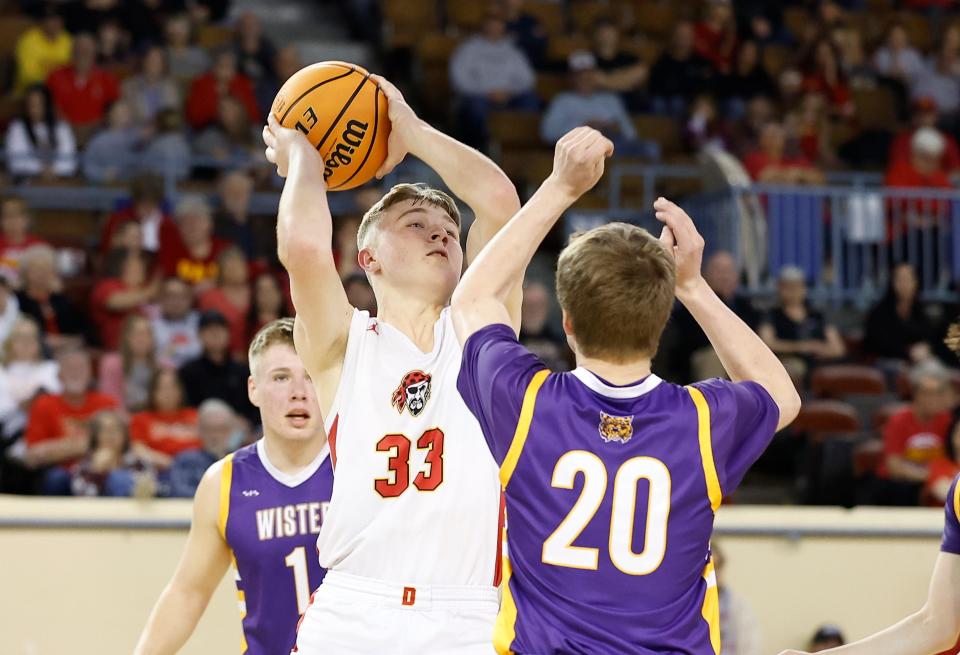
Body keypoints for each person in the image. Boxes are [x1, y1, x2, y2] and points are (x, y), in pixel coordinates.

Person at [450, 129, 800, 653]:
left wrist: (561, 187)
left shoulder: (525, 404)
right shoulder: (703, 420)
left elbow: (473, 298)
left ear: (567, 322)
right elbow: (781, 394)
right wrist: (694, 287)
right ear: (661, 323)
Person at [263, 71, 523, 653]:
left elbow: (501, 204)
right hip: (356, 607)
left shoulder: (483, 327)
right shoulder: (343, 342)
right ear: (368, 256)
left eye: (450, 232)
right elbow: (303, 247)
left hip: (467, 612)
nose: (441, 237)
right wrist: (303, 155)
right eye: (417, 226)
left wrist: (409, 129)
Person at [135, 319, 333, 654]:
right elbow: (189, 592)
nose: (298, 392)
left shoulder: (360, 467)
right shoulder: (223, 482)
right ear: (253, 389)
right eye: (281, 377)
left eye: (310, 376)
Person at [23, 347, 118, 495]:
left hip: (101, 471)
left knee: (118, 478)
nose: (75, 373)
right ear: (59, 375)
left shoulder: (107, 404)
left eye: (80, 368)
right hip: (62, 474)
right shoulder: (44, 404)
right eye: (70, 368)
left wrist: (60, 449)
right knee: (56, 478)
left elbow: (120, 445)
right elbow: (32, 456)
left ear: (90, 374)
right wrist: (91, 444)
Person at [179, 310, 256, 424]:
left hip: (239, 432)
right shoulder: (188, 372)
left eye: (219, 329)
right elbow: (185, 409)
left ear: (228, 334)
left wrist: (247, 422)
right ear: (199, 335)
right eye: (209, 330)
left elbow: (254, 407)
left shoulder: (242, 371)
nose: (215, 334)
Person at [130, 368, 200, 472]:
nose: (168, 393)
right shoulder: (141, 419)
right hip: (163, 472)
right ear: (153, 393)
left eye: (172, 387)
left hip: (198, 468)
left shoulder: (196, 416)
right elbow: (138, 450)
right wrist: (172, 464)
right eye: (162, 388)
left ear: (180, 390)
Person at [4, 83, 78, 180]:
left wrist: (54, 170)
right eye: (31, 104)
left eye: (38, 104)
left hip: (58, 182)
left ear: (47, 105)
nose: (34, 109)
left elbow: (70, 161)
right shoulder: (17, 128)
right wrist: (40, 170)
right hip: (27, 183)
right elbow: (15, 161)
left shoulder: (62, 128)